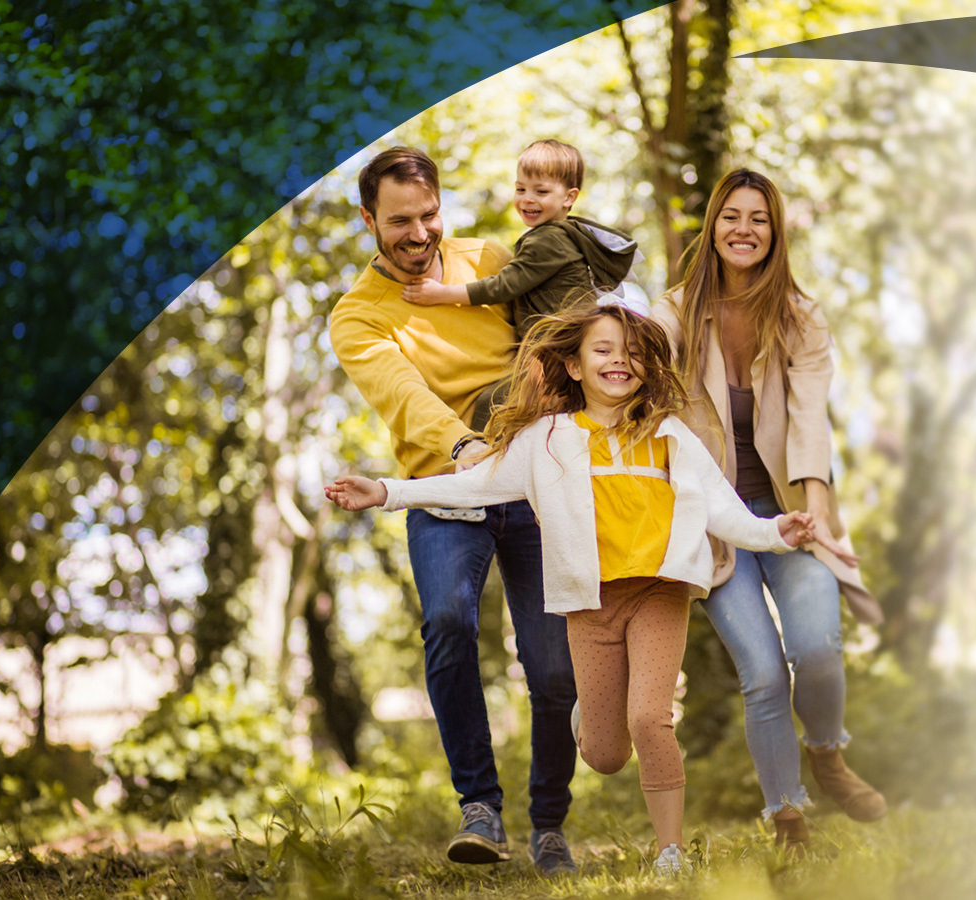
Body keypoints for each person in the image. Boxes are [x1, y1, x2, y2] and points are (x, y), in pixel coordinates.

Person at [326, 303, 849, 876]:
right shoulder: (546, 438)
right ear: (573, 366)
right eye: (602, 350)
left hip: (659, 593)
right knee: (604, 754)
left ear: (646, 366)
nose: (619, 361)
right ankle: (590, 717)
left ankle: (670, 852)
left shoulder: (669, 435)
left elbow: (727, 515)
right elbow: (475, 485)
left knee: (651, 719)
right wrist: (386, 491)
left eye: (630, 352)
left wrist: (779, 530)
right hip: (590, 605)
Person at [326, 146, 578, 874]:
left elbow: (543, 344)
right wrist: (466, 447)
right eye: (399, 221)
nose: (417, 234)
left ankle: (550, 823)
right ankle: (480, 807)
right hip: (442, 484)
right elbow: (405, 396)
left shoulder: (490, 261)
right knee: (446, 621)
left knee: (554, 665)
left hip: (530, 481)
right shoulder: (357, 317)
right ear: (369, 219)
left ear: (442, 208)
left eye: (429, 216)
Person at [651, 168, 888, 850]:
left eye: (758, 218)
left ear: (775, 232)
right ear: (713, 226)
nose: (744, 229)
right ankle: (788, 817)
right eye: (732, 216)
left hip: (790, 507)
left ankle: (828, 753)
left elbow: (811, 418)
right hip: (717, 520)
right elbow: (634, 366)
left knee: (816, 646)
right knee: (760, 672)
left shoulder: (800, 317)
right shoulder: (673, 314)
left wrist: (818, 520)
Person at [401, 138, 643, 433]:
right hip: (562, 346)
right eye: (520, 189)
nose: (527, 199)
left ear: (569, 197)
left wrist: (441, 293)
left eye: (541, 191)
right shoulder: (560, 234)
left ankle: (477, 462)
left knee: (494, 403)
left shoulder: (548, 239)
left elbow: (503, 286)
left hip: (559, 349)